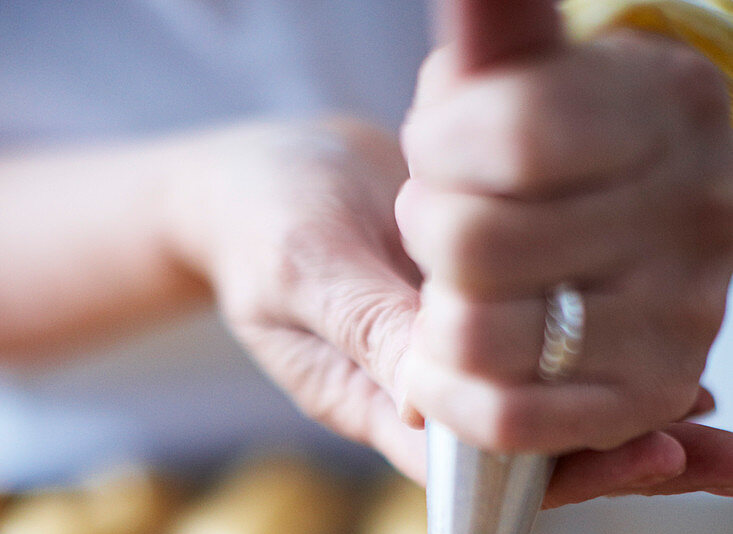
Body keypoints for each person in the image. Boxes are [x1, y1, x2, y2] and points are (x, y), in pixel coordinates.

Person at [1, 0, 731, 508]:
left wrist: (666, 63)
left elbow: (676, 27)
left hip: (598, 473)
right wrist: (184, 206)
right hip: (65, 473)